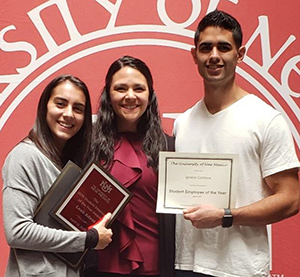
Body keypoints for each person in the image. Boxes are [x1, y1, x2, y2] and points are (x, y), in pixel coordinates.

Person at [173, 10, 300, 277]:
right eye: (206, 48)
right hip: (187, 264)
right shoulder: (182, 123)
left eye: (224, 47)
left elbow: (291, 198)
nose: (214, 56)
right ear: (194, 55)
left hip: (241, 269)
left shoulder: (266, 119)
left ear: (240, 54)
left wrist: (225, 216)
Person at [2, 74, 113, 277]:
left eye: (78, 108)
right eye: (60, 104)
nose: (68, 114)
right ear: (45, 106)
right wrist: (87, 239)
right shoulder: (25, 156)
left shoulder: (72, 164)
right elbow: (17, 231)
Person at [84, 55, 175, 277]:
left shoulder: (169, 147)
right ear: (108, 95)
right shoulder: (87, 143)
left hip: (154, 267)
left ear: (150, 95)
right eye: (121, 88)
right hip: (99, 265)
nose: (130, 96)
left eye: (139, 89)